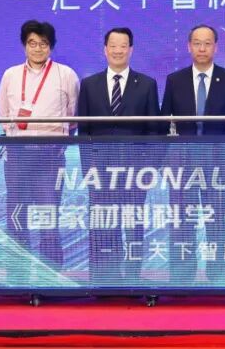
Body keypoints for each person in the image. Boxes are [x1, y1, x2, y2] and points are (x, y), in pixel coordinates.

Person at [160, 24, 225, 284]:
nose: (202, 48)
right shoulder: (175, 80)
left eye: (207, 43)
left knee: (215, 219)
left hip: (217, 161)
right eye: (197, 43)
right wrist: (164, 161)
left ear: (215, 47)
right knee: (182, 221)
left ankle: (217, 275)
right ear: (189, 46)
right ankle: (182, 275)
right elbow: (164, 123)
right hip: (182, 162)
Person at [76, 27, 160, 285]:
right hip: (99, 170)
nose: (117, 50)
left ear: (131, 50)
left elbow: (154, 130)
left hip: (135, 170)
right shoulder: (89, 85)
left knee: (133, 223)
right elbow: (83, 130)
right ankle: (103, 278)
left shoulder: (146, 84)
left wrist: (149, 168)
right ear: (105, 50)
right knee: (103, 223)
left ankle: (133, 277)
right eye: (113, 45)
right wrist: (88, 169)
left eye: (123, 46)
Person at [0, 20, 80, 274]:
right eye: (32, 43)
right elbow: (3, 115)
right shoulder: (11, 75)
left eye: (43, 44)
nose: (37, 48)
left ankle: (51, 276)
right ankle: (17, 276)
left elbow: (73, 116)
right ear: (24, 45)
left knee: (48, 216)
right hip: (17, 154)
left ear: (51, 46)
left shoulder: (66, 74)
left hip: (50, 154)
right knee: (17, 216)